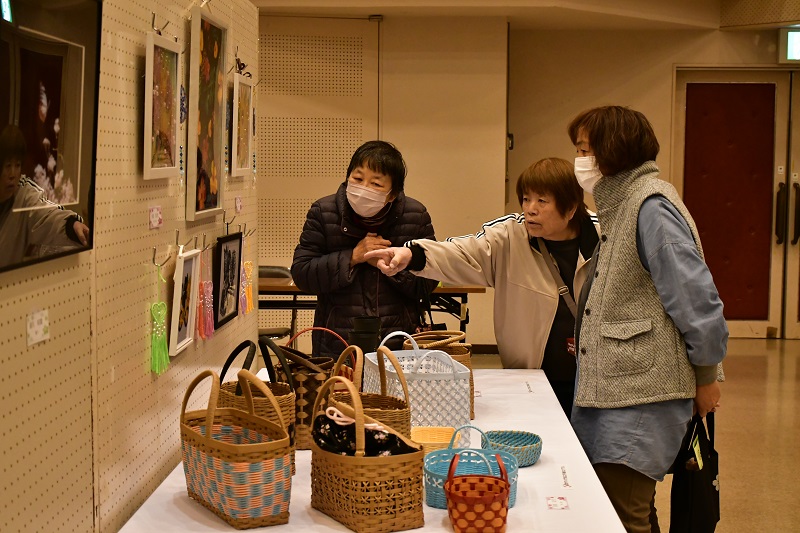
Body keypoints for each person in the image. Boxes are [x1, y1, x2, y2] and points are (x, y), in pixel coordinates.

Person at [567, 105, 727, 532]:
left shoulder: (651, 207)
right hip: (619, 388)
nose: (579, 161)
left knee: (622, 513)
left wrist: (707, 374)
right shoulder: (622, 205)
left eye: (585, 150)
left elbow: (698, 301)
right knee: (628, 507)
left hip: (642, 392)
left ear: (613, 151)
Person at [365, 157, 599, 417]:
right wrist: (412, 256)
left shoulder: (604, 239)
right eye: (526, 199)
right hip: (530, 381)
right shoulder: (509, 235)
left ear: (570, 209)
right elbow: (461, 252)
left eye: (542, 201)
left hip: (596, 382)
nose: (530, 209)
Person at [291, 140, 438, 358]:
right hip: (336, 343)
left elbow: (429, 281)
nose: (363, 189)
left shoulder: (415, 216)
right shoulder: (323, 212)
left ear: (392, 194)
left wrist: (393, 266)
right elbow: (302, 274)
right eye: (358, 179)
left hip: (399, 343)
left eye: (376, 184)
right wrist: (352, 257)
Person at [0, 124, 89, 269]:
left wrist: (72, 225)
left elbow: (45, 215)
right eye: (7, 165)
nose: (13, 174)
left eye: (17, 165)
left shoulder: (24, 194)